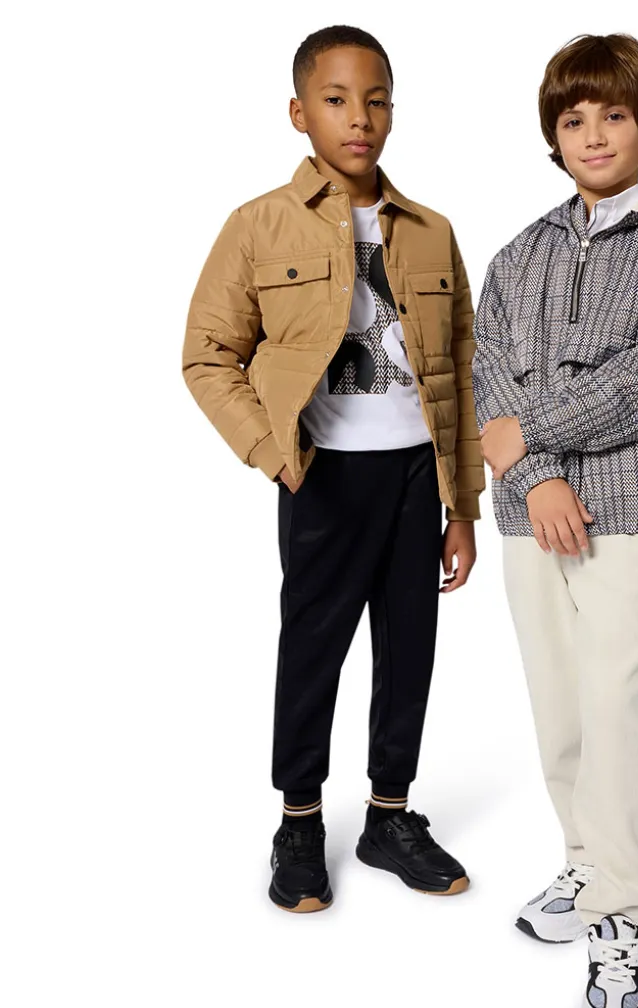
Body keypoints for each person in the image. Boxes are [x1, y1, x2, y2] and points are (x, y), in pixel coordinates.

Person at [182, 25, 484, 913]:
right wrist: (275, 453)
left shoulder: (431, 232)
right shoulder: (258, 225)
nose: (360, 118)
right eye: (337, 99)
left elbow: (464, 371)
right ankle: (300, 821)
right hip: (324, 477)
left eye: (376, 100)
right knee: (312, 650)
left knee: (410, 650)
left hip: (415, 476)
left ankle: (388, 815)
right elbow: (207, 355)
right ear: (298, 112)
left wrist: (461, 505)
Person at [472, 32, 638, 1008]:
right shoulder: (517, 252)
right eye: (574, 119)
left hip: (628, 507)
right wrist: (535, 477)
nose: (594, 134)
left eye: (614, 114)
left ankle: (621, 920)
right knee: (560, 703)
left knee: (616, 707)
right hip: (532, 514)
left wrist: (532, 437)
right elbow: (490, 376)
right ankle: (584, 859)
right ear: (554, 135)